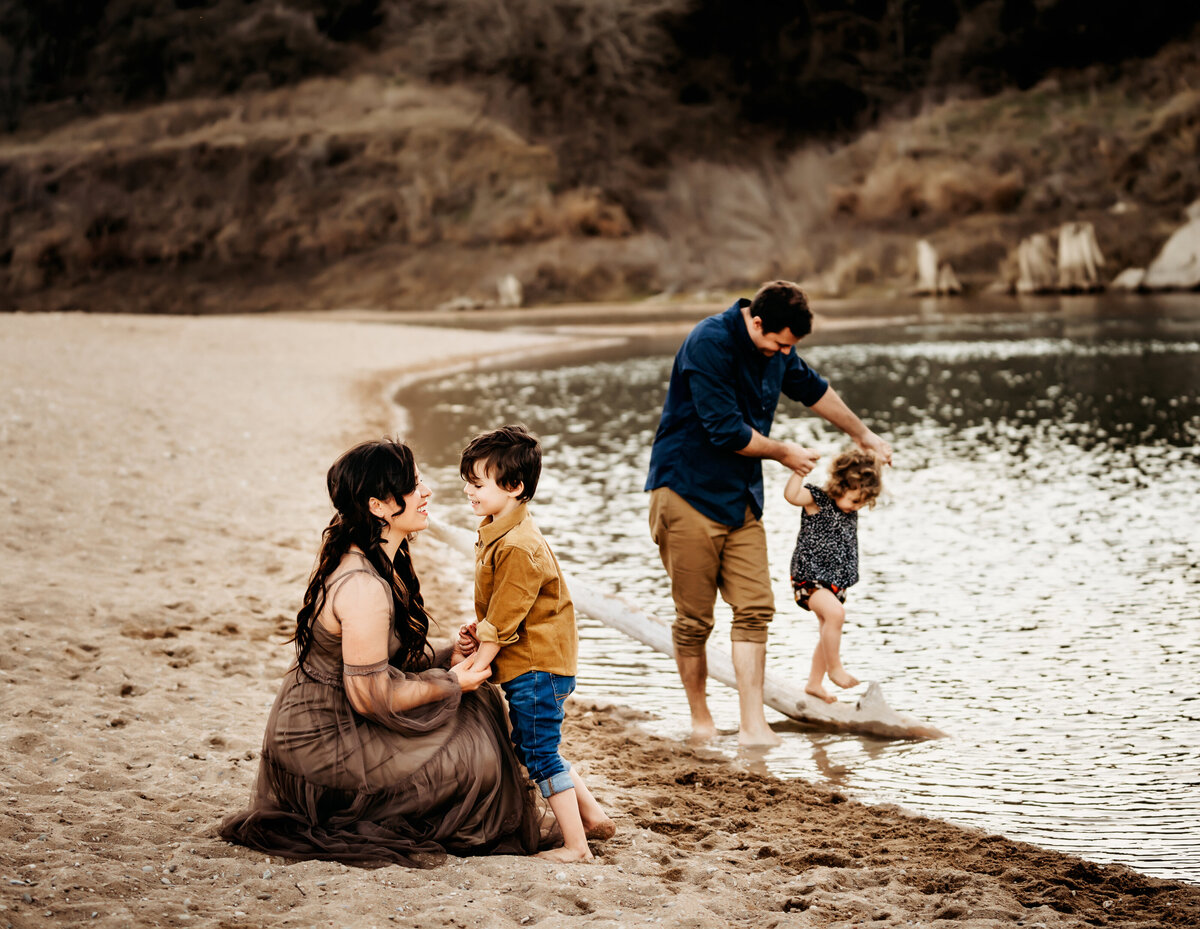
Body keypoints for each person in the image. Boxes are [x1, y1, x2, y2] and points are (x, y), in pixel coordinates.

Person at [219, 439, 544, 866]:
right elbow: (371, 697)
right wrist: (451, 681)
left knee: (477, 702)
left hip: (346, 715)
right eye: (413, 486)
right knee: (475, 755)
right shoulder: (363, 587)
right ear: (378, 506)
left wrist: (448, 656)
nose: (426, 492)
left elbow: (387, 663)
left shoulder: (379, 559)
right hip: (322, 745)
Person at [644, 280, 892, 746]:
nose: (784, 353)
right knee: (695, 619)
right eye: (779, 343)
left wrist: (865, 436)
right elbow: (724, 431)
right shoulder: (709, 343)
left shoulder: (778, 349)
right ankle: (701, 720)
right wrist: (784, 453)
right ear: (756, 323)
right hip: (686, 491)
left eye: (790, 347)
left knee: (756, 609)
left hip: (740, 498)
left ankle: (753, 726)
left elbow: (814, 390)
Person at [455, 424, 614, 862]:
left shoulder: (519, 546)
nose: (469, 491)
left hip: (537, 665)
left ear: (515, 486)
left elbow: (506, 618)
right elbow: (507, 607)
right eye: (467, 481)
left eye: (478, 483)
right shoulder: (498, 531)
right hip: (534, 660)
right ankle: (594, 818)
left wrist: (479, 662)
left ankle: (577, 847)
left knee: (540, 753)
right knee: (536, 745)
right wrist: (481, 627)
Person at [784, 447, 884, 704]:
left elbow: (865, 474)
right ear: (840, 486)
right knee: (836, 615)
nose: (857, 507)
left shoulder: (850, 505)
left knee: (829, 627)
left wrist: (878, 461)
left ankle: (814, 684)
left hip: (835, 582)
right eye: (854, 500)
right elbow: (792, 495)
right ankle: (834, 669)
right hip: (810, 578)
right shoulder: (818, 498)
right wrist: (799, 471)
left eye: (862, 502)